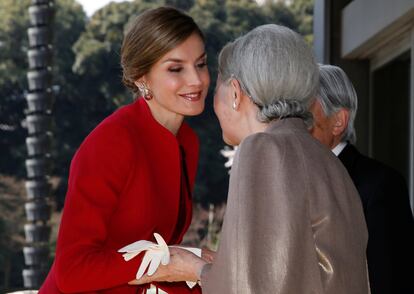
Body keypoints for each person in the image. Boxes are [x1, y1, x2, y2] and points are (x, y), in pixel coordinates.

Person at [130, 24, 370, 294]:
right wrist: (223, 264)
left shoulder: (263, 149)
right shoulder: (326, 159)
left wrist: (193, 268)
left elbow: (251, 286)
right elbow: (288, 269)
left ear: (235, 93)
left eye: (217, 89)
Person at [39, 6, 210, 294]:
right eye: (176, 68)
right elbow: (72, 271)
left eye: (201, 64)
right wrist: (170, 265)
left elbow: (149, 254)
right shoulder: (112, 142)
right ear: (142, 78)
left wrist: (205, 266)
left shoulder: (187, 141)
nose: (196, 80)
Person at [310, 64, 414, 294]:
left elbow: (392, 281)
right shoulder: (292, 180)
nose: (293, 126)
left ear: (338, 120)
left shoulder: (380, 185)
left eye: (303, 115)